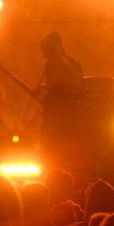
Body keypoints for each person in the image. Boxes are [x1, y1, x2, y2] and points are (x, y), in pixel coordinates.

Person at [36, 32, 84, 167]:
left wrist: (49, 94)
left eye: (48, 51)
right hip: (56, 119)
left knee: (59, 154)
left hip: (65, 120)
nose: (46, 55)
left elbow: (73, 90)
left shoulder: (66, 65)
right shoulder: (55, 64)